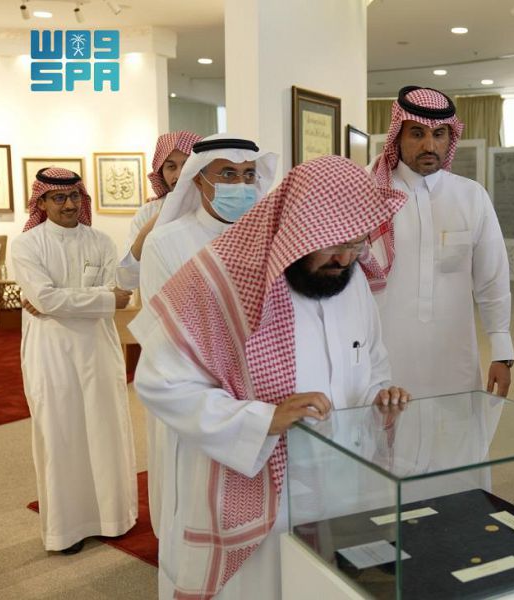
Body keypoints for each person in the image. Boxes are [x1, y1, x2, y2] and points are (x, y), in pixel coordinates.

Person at [132, 155, 409, 599]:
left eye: (357, 244)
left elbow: (371, 358)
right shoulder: (222, 281)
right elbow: (158, 381)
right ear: (299, 228)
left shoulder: (351, 279)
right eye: (333, 244)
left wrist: (379, 396)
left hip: (340, 483)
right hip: (257, 486)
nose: (345, 257)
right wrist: (263, 420)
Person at [137, 133, 278, 535]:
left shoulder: (269, 236)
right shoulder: (166, 242)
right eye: (228, 174)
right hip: (194, 392)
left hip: (260, 389)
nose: (241, 185)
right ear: (198, 179)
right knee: (194, 502)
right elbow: (164, 332)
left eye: (248, 175)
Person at [11, 167, 137, 555]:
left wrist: (61, 301)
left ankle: (112, 518)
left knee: (105, 429)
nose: (68, 205)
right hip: (51, 353)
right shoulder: (27, 245)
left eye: (74, 197)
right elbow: (47, 298)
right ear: (42, 202)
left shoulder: (101, 241)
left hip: (98, 349)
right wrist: (100, 299)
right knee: (60, 433)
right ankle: (66, 530)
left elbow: (120, 294)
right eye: (58, 198)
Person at [367, 85, 514, 398]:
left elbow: (492, 278)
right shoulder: (369, 192)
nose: (429, 145)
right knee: (388, 427)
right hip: (384, 354)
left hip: (453, 356)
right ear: (398, 136)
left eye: (439, 134)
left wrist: (502, 350)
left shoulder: (471, 196)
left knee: (456, 425)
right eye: (417, 133)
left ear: (451, 137)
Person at [116, 130, 202, 290]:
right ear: (161, 172)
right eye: (171, 167)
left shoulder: (213, 210)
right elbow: (126, 280)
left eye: (187, 165)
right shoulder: (147, 213)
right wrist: (153, 225)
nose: (179, 175)